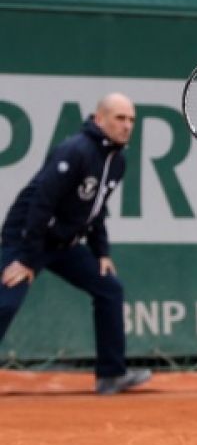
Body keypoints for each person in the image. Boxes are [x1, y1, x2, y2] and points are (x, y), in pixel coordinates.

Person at [0, 93, 151, 395]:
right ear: (99, 119)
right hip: (27, 237)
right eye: (120, 118)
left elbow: (95, 210)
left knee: (110, 288)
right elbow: (41, 203)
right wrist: (28, 258)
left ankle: (111, 375)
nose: (127, 126)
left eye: (132, 120)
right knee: (5, 302)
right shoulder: (76, 150)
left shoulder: (117, 161)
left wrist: (101, 252)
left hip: (63, 243)